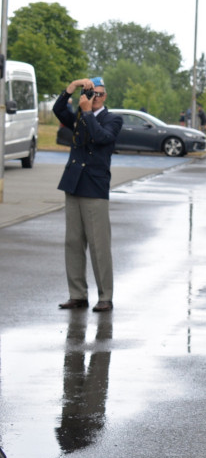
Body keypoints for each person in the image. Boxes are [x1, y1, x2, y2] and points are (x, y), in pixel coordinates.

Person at [52, 77, 124, 313]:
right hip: (74, 184)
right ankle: (77, 294)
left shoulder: (112, 119)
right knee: (73, 242)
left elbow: (102, 138)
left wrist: (87, 114)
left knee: (99, 245)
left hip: (95, 187)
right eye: (91, 93)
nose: (94, 97)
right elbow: (59, 110)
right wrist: (71, 88)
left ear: (105, 97)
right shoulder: (79, 117)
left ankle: (105, 296)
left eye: (99, 94)